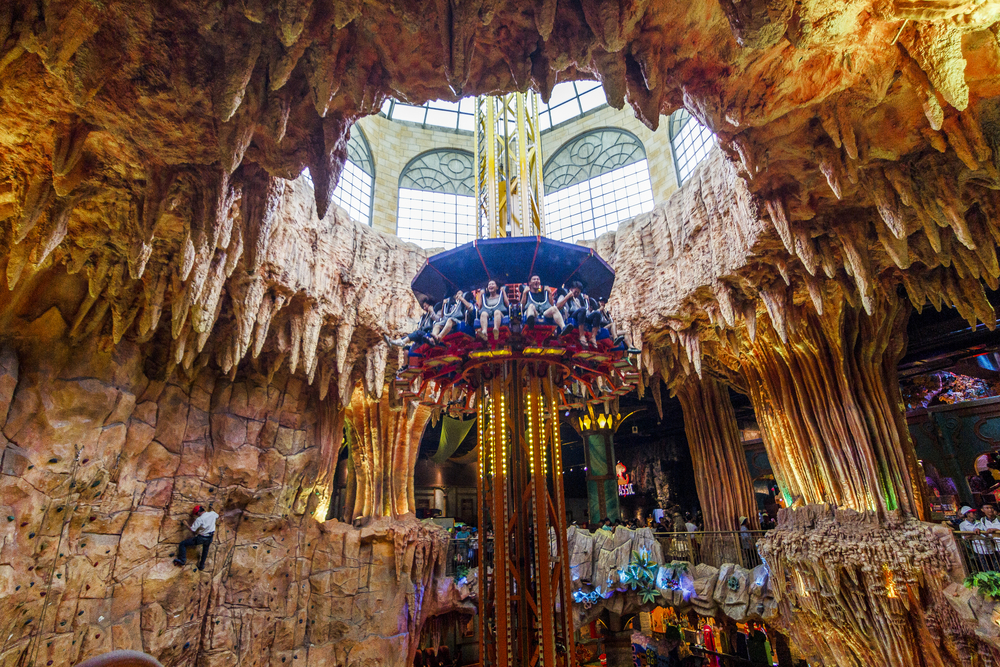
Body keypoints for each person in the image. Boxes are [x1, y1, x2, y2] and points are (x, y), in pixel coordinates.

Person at [174, 504, 219, 570]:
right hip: (210, 537)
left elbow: (193, 529)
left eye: (196, 514)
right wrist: (212, 508)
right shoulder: (212, 513)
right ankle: (201, 566)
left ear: (198, 512)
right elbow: (217, 515)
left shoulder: (200, 519)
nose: (197, 515)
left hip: (201, 538)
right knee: (205, 551)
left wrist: (186, 524)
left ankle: (182, 560)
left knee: (183, 544)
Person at [958, 505, 997, 572]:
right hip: (978, 548)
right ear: (967, 514)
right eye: (972, 512)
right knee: (985, 568)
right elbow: (964, 537)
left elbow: (986, 532)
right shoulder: (963, 525)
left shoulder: (980, 522)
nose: (974, 514)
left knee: (995, 566)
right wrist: (972, 533)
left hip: (989, 546)